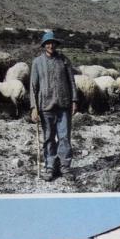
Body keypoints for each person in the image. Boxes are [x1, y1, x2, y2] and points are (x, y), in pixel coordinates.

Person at [30, 31, 78, 182]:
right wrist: (33, 107)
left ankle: (65, 166)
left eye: (53, 42)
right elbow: (33, 86)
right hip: (45, 106)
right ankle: (50, 166)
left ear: (56, 44)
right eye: (48, 43)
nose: (51, 45)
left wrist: (74, 100)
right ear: (44, 45)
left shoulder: (64, 60)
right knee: (49, 138)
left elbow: (72, 82)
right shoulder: (37, 62)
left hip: (64, 105)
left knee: (64, 137)